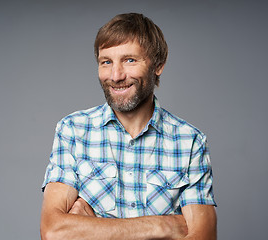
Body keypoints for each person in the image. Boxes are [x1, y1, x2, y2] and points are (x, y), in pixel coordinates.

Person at [40, 13, 217, 240]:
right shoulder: (73, 131)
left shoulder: (190, 141)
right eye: (106, 62)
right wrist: (163, 226)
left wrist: (91, 227)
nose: (116, 75)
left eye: (129, 60)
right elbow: (54, 232)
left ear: (158, 65)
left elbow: (204, 237)